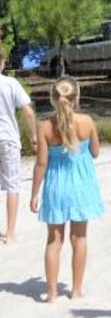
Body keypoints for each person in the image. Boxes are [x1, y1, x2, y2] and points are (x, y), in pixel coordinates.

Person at [30, 77, 104, 302]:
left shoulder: (44, 126)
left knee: (54, 240)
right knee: (79, 238)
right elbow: (95, 152)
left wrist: (34, 194)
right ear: (76, 98)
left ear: (53, 99)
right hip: (81, 185)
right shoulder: (87, 121)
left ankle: (52, 293)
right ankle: (76, 290)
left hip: (56, 186)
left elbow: (41, 163)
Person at [0, 50, 37, 243]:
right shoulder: (10, 83)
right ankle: (10, 232)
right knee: (12, 184)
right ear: (2, 62)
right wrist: (33, 135)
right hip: (8, 138)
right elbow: (28, 112)